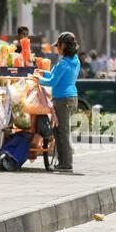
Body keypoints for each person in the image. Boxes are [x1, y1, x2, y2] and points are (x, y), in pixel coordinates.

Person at [35, 32, 80, 172]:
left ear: (64, 46)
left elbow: (53, 81)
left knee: (62, 133)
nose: (57, 48)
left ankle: (66, 164)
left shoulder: (63, 63)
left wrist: (37, 79)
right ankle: (62, 162)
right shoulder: (75, 61)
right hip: (71, 98)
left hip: (63, 100)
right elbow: (56, 77)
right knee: (60, 131)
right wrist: (43, 73)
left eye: (58, 46)